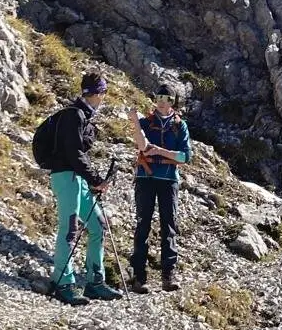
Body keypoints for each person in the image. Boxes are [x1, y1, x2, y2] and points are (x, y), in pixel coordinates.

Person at [34, 71, 122, 304]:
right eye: (103, 93)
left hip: (77, 179)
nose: (103, 99)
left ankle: (95, 281)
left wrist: (91, 180)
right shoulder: (74, 116)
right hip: (66, 177)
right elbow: (75, 154)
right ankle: (63, 282)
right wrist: (95, 179)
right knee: (70, 229)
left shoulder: (81, 116)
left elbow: (78, 154)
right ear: (97, 94)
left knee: (98, 226)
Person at [129, 90, 192, 294]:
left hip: (168, 180)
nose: (162, 103)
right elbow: (142, 146)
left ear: (172, 102)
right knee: (143, 224)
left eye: (166, 99)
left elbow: (185, 157)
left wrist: (160, 151)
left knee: (169, 224)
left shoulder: (179, 125)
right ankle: (139, 276)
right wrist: (135, 123)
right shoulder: (145, 122)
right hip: (145, 178)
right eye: (159, 99)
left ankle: (168, 274)